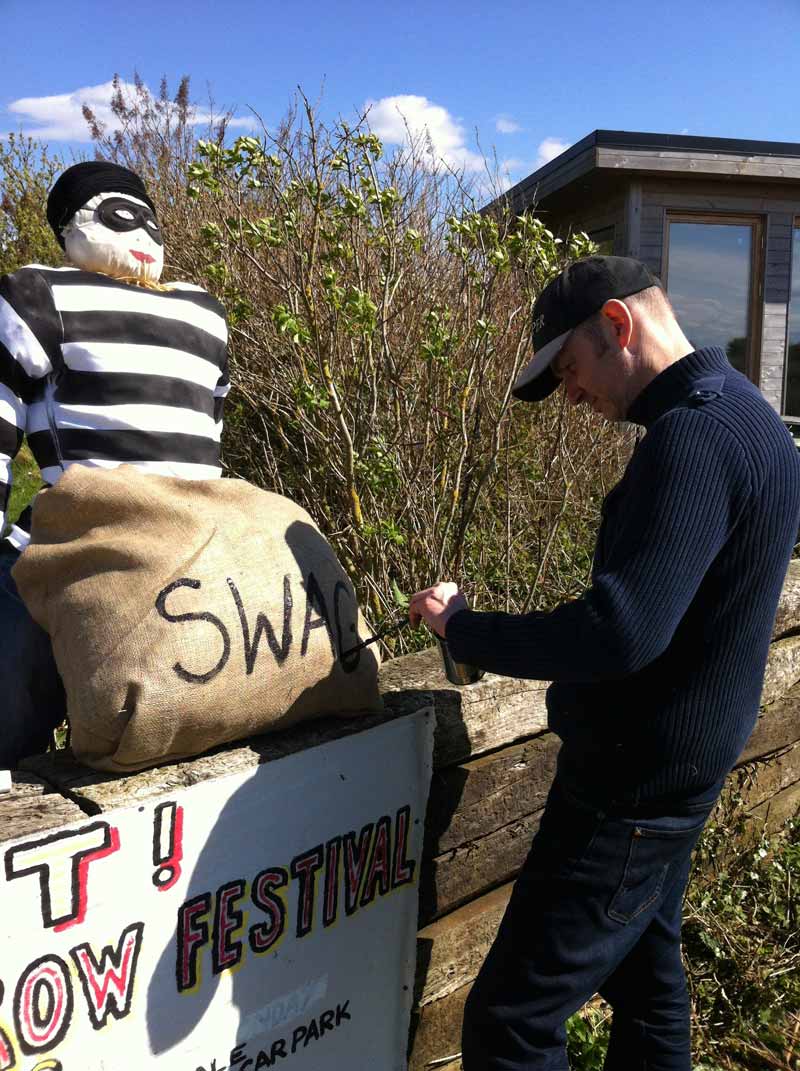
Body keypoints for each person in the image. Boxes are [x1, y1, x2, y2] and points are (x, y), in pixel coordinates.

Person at [409, 255, 800, 1071]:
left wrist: (467, 629)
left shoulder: (690, 439)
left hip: (627, 793)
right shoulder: (754, 419)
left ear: (617, 325)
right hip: (681, 773)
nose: (574, 398)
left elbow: (621, 631)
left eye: (572, 370)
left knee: (509, 1022)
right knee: (648, 982)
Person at [0, 161, 230, 767]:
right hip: (194, 546)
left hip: (86, 539)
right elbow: (210, 440)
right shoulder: (208, 313)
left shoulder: (35, 292)